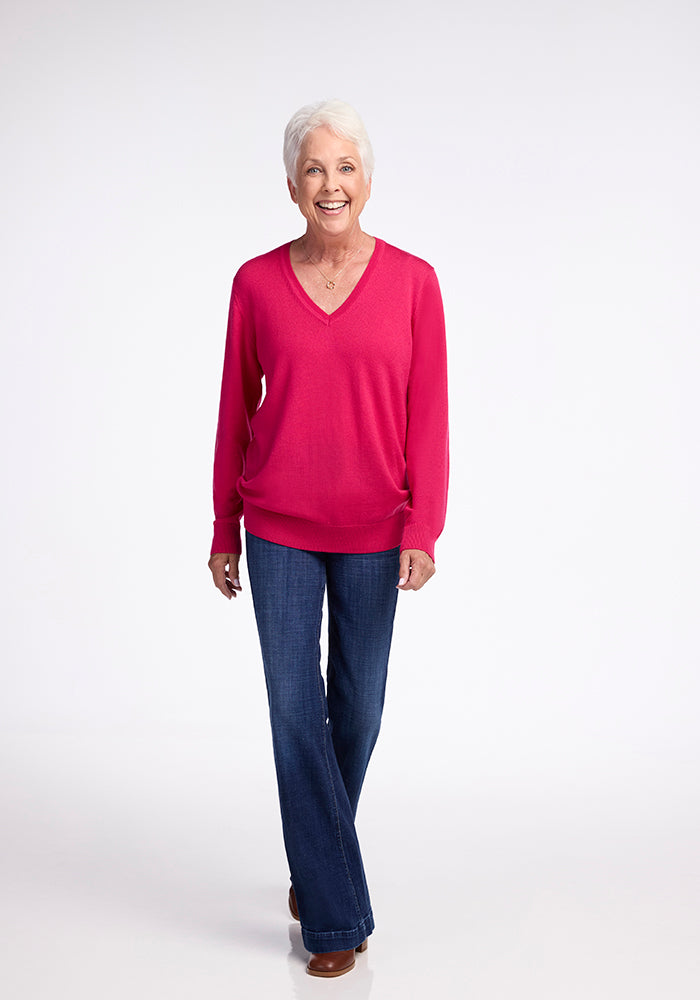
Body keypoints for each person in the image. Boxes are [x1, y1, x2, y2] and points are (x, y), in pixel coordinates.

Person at [208, 99, 449, 978]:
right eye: (314, 169)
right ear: (290, 187)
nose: (331, 184)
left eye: (345, 168)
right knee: (289, 708)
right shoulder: (256, 283)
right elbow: (235, 408)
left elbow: (430, 416)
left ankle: (314, 864)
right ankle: (334, 915)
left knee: (360, 707)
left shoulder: (416, 282)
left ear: (368, 181)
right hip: (275, 526)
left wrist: (425, 522)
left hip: (376, 530)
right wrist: (221, 524)